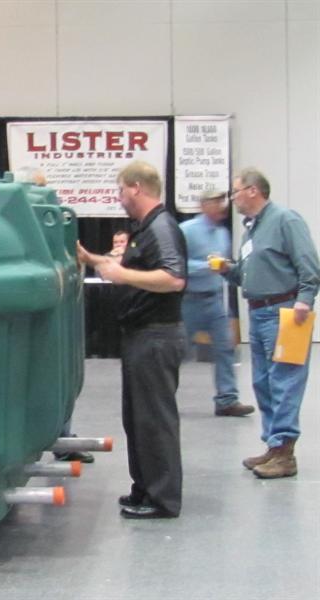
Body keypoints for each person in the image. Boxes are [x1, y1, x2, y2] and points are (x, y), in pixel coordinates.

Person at [77, 160, 186, 519]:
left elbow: (173, 278)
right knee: (138, 419)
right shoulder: (145, 229)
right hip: (141, 336)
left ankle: (162, 499)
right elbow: (131, 269)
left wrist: (122, 276)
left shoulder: (162, 228)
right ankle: (145, 488)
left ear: (137, 187)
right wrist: (92, 259)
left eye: (121, 190)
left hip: (156, 335)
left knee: (155, 420)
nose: (119, 197)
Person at [219, 168, 319, 479]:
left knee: (285, 381)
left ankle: (285, 453)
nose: (233, 198)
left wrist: (305, 298)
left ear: (253, 190)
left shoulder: (285, 220)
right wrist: (228, 270)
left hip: (286, 312)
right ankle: (273, 446)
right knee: (263, 383)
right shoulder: (251, 229)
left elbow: (309, 263)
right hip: (259, 313)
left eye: (236, 191)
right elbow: (246, 274)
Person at [179, 189, 253, 417]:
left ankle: (227, 400)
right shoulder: (186, 230)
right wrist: (206, 266)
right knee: (178, 352)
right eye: (215, 202)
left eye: (222, 201)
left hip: (214, 300)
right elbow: (177, 264)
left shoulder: (223, 234)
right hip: (189, 301)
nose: (222, 206)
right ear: (203, 205)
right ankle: (161, 397)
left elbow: (224, 267)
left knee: (225, 348)